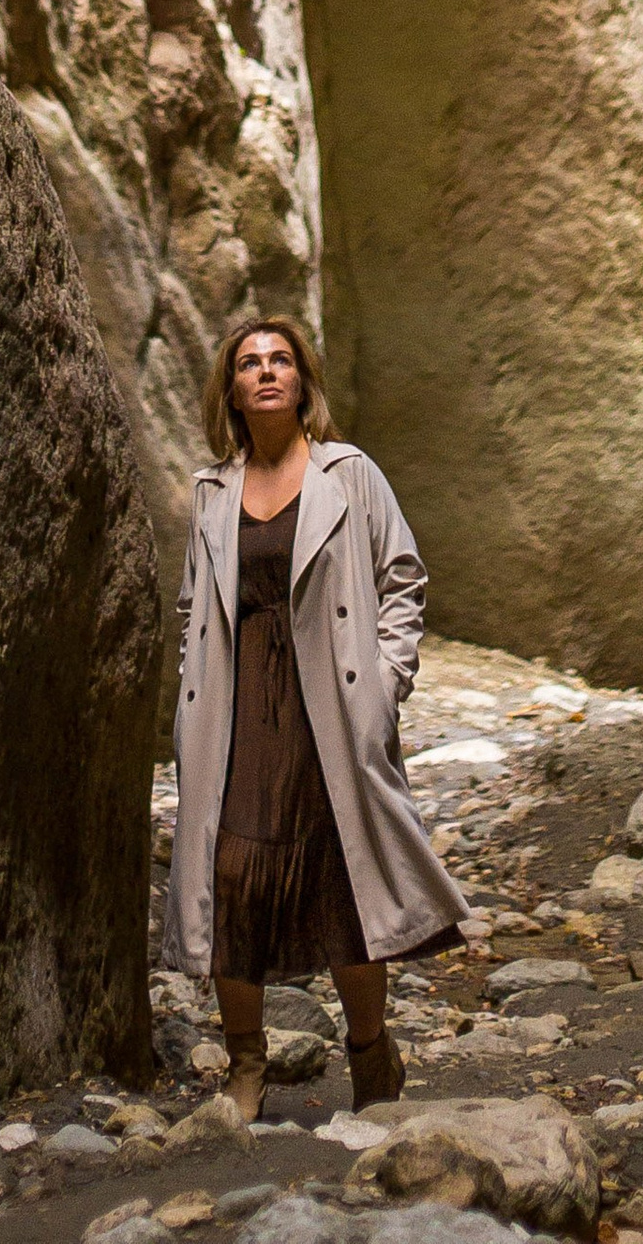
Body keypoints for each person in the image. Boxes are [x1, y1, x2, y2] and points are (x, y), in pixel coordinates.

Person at [162, 315, 469, 1119]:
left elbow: (402, 579)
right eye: (250, 363)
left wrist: (385, 684)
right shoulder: (211, 492)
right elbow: (195, 602)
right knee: (231, 878)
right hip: (238, 716)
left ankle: (370, 1055)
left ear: (302, 381)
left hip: (328, 706)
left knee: (343, 881)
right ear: (230, 387)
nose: (266, 373)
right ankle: (246, 1067)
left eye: (281, 361)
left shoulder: (350, 474)